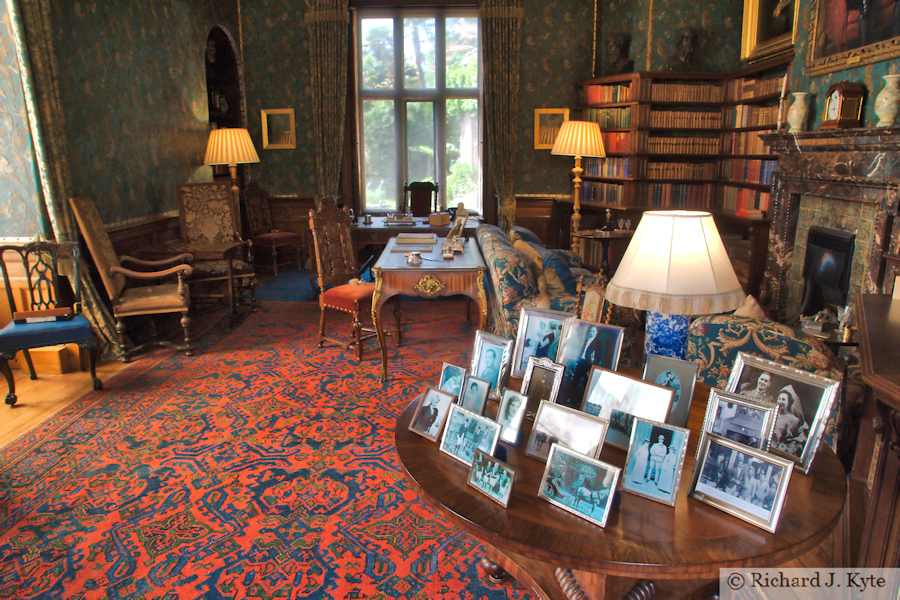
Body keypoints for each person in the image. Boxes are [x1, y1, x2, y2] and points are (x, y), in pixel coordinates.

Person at [772, 385, 808, 457]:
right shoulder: (771, 414)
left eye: (783, 399)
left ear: (788, 403)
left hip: (779, 452)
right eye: (779, 399)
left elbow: (795, 440)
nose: (780, 401)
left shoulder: (794, 420)